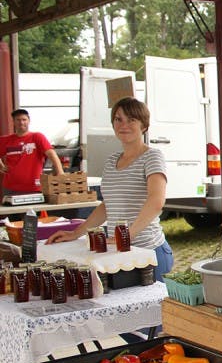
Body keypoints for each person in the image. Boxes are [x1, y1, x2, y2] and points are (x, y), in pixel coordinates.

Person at [47, 97, 174, 281]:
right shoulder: (111, 160)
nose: (124, 125)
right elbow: (108, 206)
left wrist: (127, 235)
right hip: (120, 252)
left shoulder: (152, 157)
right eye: (118, 119)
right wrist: (76, 233)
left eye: (132, 119)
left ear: (144, 126)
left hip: (149, 251)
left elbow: (156, 201)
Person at [0, 108, 64, 196]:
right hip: (10, 188)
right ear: (13, 122)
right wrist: (1, 166)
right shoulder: (5, 140)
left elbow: (52, 154)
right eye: (18, 120)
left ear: (29, 121)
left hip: (35, 188)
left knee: (37, 210)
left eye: (24, 119)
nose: (21, 122)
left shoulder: (37, 137)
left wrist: (60, 173)